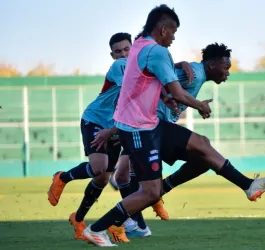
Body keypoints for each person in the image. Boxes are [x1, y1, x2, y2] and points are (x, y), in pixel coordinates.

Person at [83, 4, 265, 247]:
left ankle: (248, 186)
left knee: (202, 147)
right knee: (149, 192)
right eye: (173, 32)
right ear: (163, 29)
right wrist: (199, 105)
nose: (174, 38)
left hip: (149, 124)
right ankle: (99, 228)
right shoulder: (157, 52)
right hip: (138, 129)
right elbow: (176, 90)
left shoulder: (139, 47)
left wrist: (168, 92)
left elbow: (150, 84)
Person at [46, 32, 172, 242]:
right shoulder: (120, 67)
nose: (123, 54)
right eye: (118, 51)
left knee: (105, 178)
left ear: (133, 48)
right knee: (99, 168)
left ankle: (81, 220)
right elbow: (133, 88)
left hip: (118, 127)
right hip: (96, 121)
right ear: (112, 55)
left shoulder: (141, 67)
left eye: (126, 49)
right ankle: (62, 178)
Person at [108, 42, 235, 209]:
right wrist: (197, 104)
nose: (227, 73)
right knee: (127, 178)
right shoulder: (195, 73)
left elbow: (166, 79)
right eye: (226, 67)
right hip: (148, 125)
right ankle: (123, 219)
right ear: (212, 64)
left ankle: (134, 215)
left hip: (153, 126)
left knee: (203, 156)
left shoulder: (196, 74)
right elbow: (159, 76)